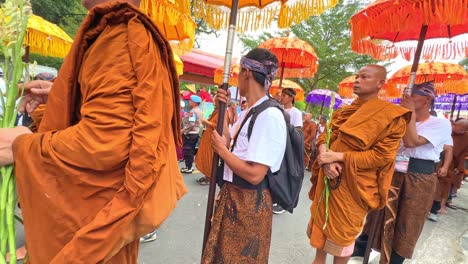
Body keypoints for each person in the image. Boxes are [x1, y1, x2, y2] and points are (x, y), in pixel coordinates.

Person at [0, 1, 187, 262]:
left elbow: (104, 143)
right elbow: (117, 120)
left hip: (88, 227)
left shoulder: (122, 37)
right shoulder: (113, 32)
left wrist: (21, 145)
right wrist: (60, 99)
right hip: (88, 219)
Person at [307, 64, 411, 264]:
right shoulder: (342, 112)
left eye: (364, 77)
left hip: (354, 188)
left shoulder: (391, 116)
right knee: (320, 241)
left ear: (381, 83)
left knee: (342, 242)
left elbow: (381, 157)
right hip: (328, 179)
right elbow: (324, 138)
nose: (357, 80)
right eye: (357, 76)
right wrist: (324, 157)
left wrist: (339, 157)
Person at [202, 48, 287, 263]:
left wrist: (221, 150)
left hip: (249, 205)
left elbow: (255, 174)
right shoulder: (250, 111)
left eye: (239, 72)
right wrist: (223, 109)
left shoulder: (270, 116)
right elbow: (228, 141)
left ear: (246, 73)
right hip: (234, 198)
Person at [353, 81, 452, 264]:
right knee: (377, 212)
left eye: (413, 94)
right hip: (391, 171)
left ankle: (395, 259)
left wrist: (410, 113)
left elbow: (412, 142)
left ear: (427, 99)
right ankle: (362, 245)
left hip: (418, 179)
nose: (407, 97)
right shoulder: (399, 117)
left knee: (408, 222)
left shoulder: (440, 124)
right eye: (406, 93)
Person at [181, 94, 203, 173]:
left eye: (191, 100)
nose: (189, 102)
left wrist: (183, 131)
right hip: (195, 133)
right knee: (191, 150)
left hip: (190, 133)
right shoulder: (199, 110)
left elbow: (191, 124)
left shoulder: (193, 111)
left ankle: (188, 167)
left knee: (188, 150)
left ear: (195, 103)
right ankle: (189, 166)